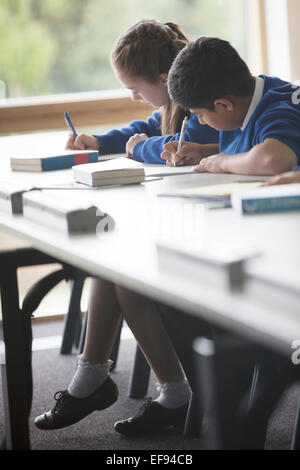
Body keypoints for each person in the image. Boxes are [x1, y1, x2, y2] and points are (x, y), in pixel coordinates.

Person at [34, 20, 218, 437]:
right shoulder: (171, 107)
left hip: (206, 238)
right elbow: (146, 130)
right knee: (112, 264)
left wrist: (139, 147)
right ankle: (100, 376)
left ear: (161, 79)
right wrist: (99, 141)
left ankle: (112, 380)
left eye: (135, 89)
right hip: (182, 222)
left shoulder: (202, 109)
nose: (133, 98)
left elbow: (172, 148)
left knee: (119, 269)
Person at [162, 37, 300, 175]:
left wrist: (223, 163)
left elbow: (271, 160)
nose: (201, 122)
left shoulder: (277, 109)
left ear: (223, 105)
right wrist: (204, 152)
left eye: (200, 115)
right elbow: (259, 145)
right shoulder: (247, 101)